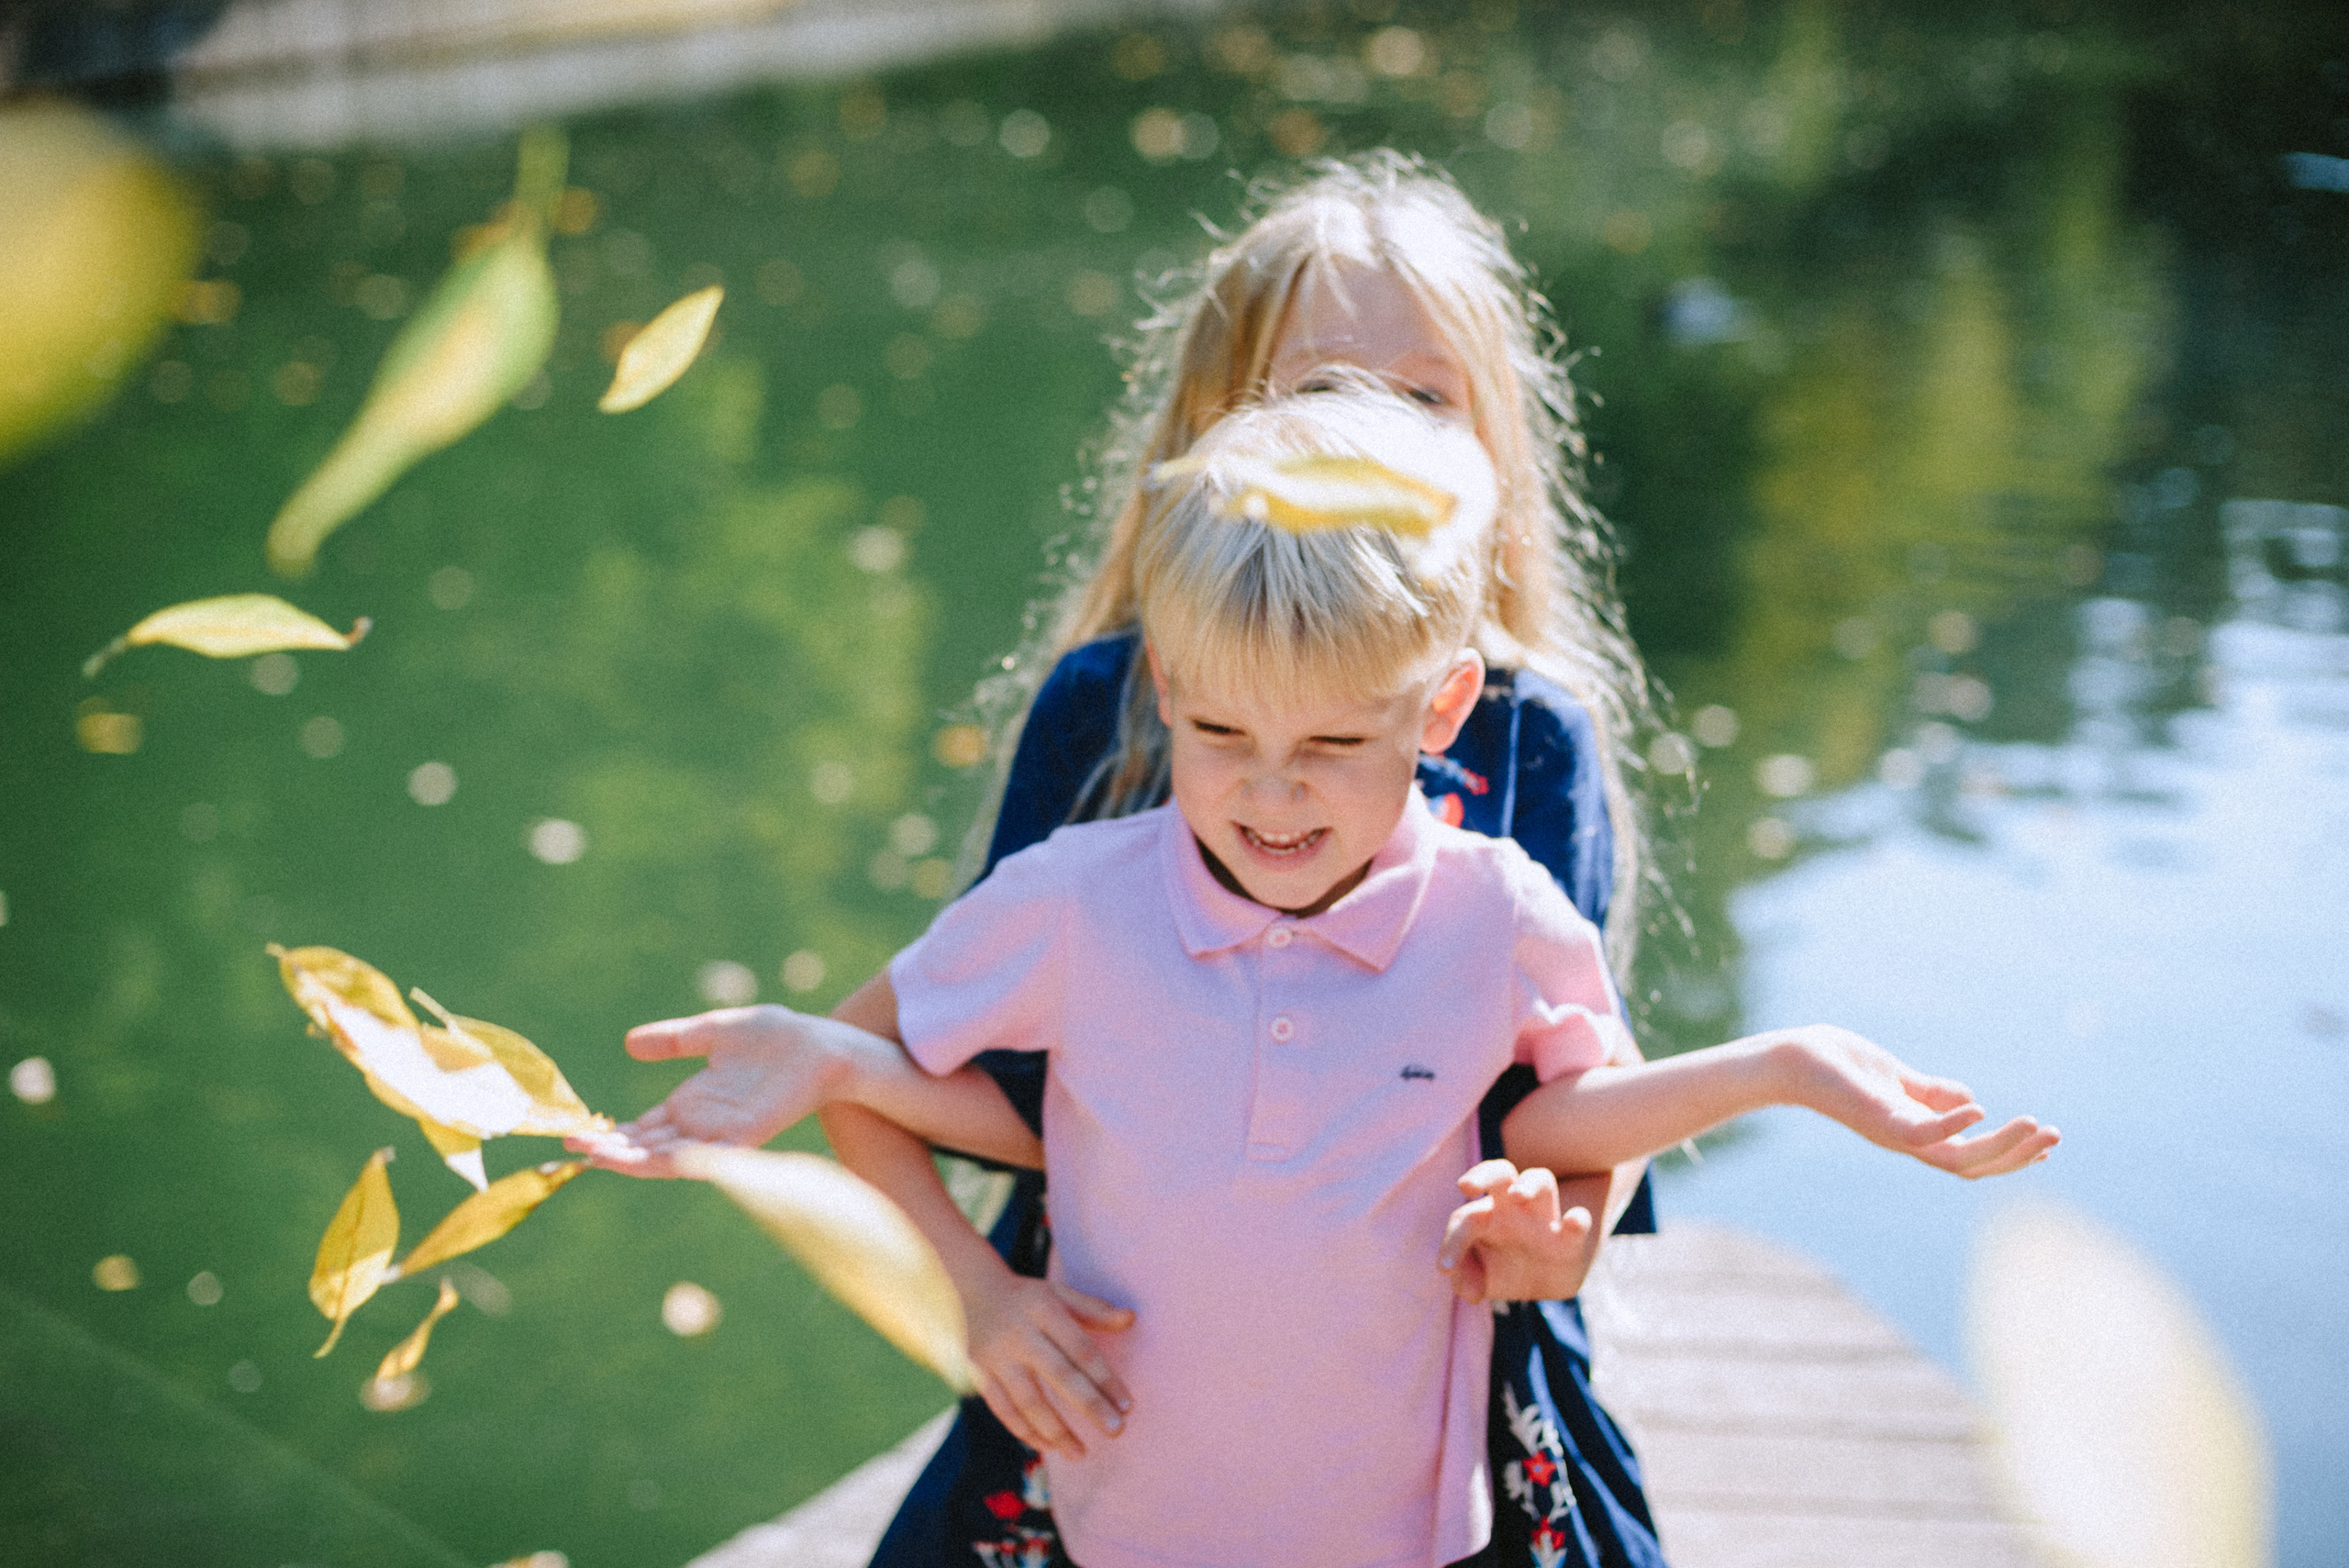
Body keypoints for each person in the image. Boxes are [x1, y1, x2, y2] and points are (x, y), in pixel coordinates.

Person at [579, 157, 2054, 1565]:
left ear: (1491, 441)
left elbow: (1556, 1113)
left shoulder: (1529, 739)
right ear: (1217, 432)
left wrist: (1565, 1242)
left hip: (1429, 1407)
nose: (1373, 445)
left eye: (1420, 398)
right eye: (1318, 398)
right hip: (1118, 1380)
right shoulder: (1106, 707)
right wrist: (982, 1294)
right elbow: (996, 1096)